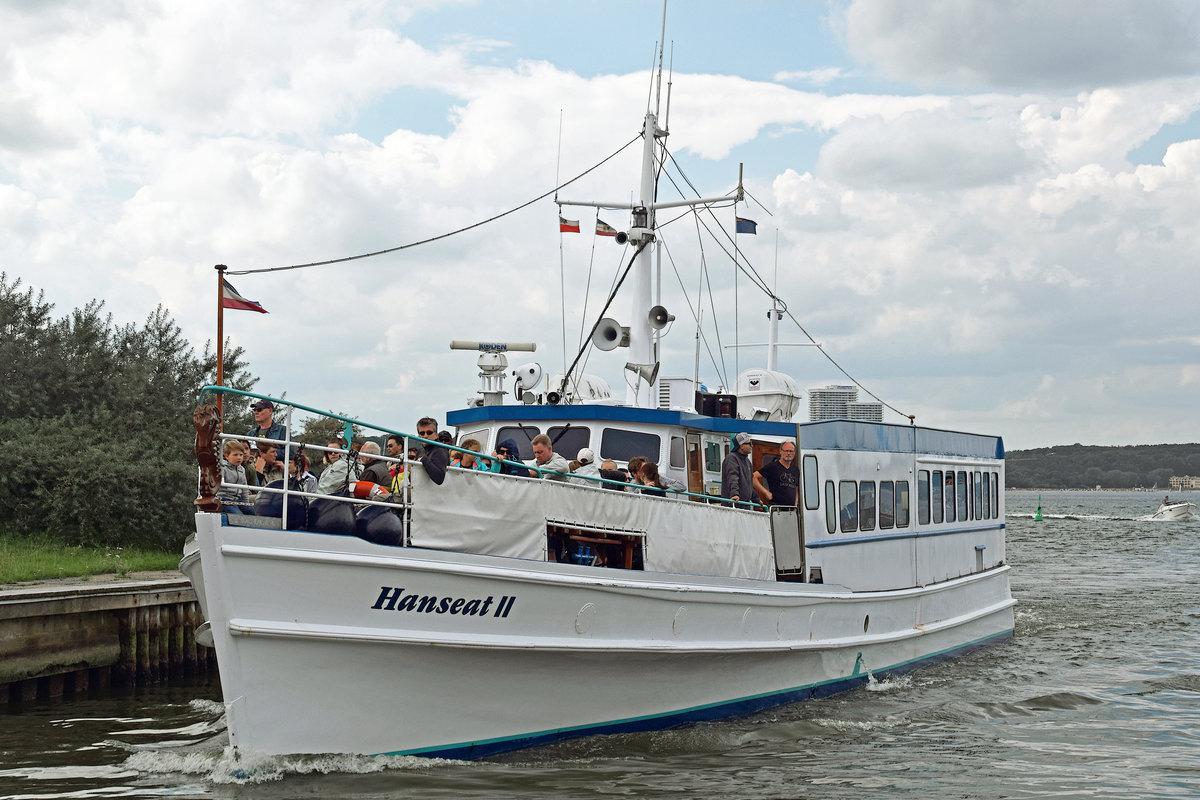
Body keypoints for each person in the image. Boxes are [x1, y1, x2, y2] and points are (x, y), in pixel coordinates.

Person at [753, 441, 799, 506]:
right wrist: (766, 492)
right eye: (786, 451)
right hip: (777, 509)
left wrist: (795, 505)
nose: (788, 453)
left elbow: (796, 489)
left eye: (791, 451)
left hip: (791, 511)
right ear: (780, 451)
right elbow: (753, 477)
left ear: (794, 453)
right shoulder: (773, 466)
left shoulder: (796, 470)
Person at [217, 439, 251, 513]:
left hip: (238, 499)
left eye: (241, 455)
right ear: (226, 456)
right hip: (225, 499)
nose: (239, 457)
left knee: (253, 511)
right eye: (235, 455)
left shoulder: (242, 469)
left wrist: (246, 502)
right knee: (238, 515)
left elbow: (244, 488)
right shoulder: (223, 468)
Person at [721, 432, 754, 506]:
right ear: (741, 446)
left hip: (745, 505)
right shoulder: (731, 459)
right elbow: (733, 477)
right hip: (734, 504)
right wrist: (734, 494)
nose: (752, 446)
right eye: (749, 444)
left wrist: (756, 499)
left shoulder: (747, 461)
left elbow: (749, 484)